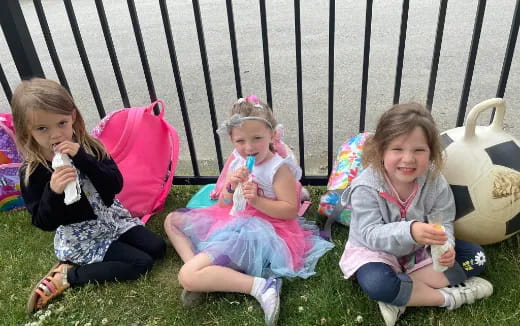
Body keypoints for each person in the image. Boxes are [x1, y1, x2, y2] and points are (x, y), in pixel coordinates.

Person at [164, 95, 333, 326]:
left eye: (257, 139)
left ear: (272, 135)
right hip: (232, 218)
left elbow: (290, 211)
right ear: (232, 140)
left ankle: (261, 286)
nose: (249, 147)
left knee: (187, 276)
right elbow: (224, 204)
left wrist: (257, 201)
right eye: (240, 141)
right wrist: (231, 187)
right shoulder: (237, 159)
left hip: (263, 231)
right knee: (172, 221)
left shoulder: (277, 169)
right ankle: (208, 274)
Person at [11, 78, 166, 313]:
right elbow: (43, 221)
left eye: (61, 123)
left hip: (114, 221)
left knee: (157, 248)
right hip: (84, 236)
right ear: (26, 131)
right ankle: (69, 275)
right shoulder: (33, 171)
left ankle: (116, 246)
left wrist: (84, 158)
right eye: (42, 128)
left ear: (72, 116)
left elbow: (115, 184)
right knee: (140, 263)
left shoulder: (90, 147)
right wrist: (53, 192)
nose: (55, 135)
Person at [339, 103, 493, 326]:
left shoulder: (434, 181)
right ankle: (448, 297)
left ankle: (401, 295)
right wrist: (410, 230)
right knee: (377, 284)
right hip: (375, 252)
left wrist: (445, 247)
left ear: (431, 152)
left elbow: (443, 220)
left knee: (476, 258)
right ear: (381, 150)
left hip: (419, 252)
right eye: (397, 149)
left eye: (419, 150)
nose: (408, 159)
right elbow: (370, 233)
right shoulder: (365, 187)